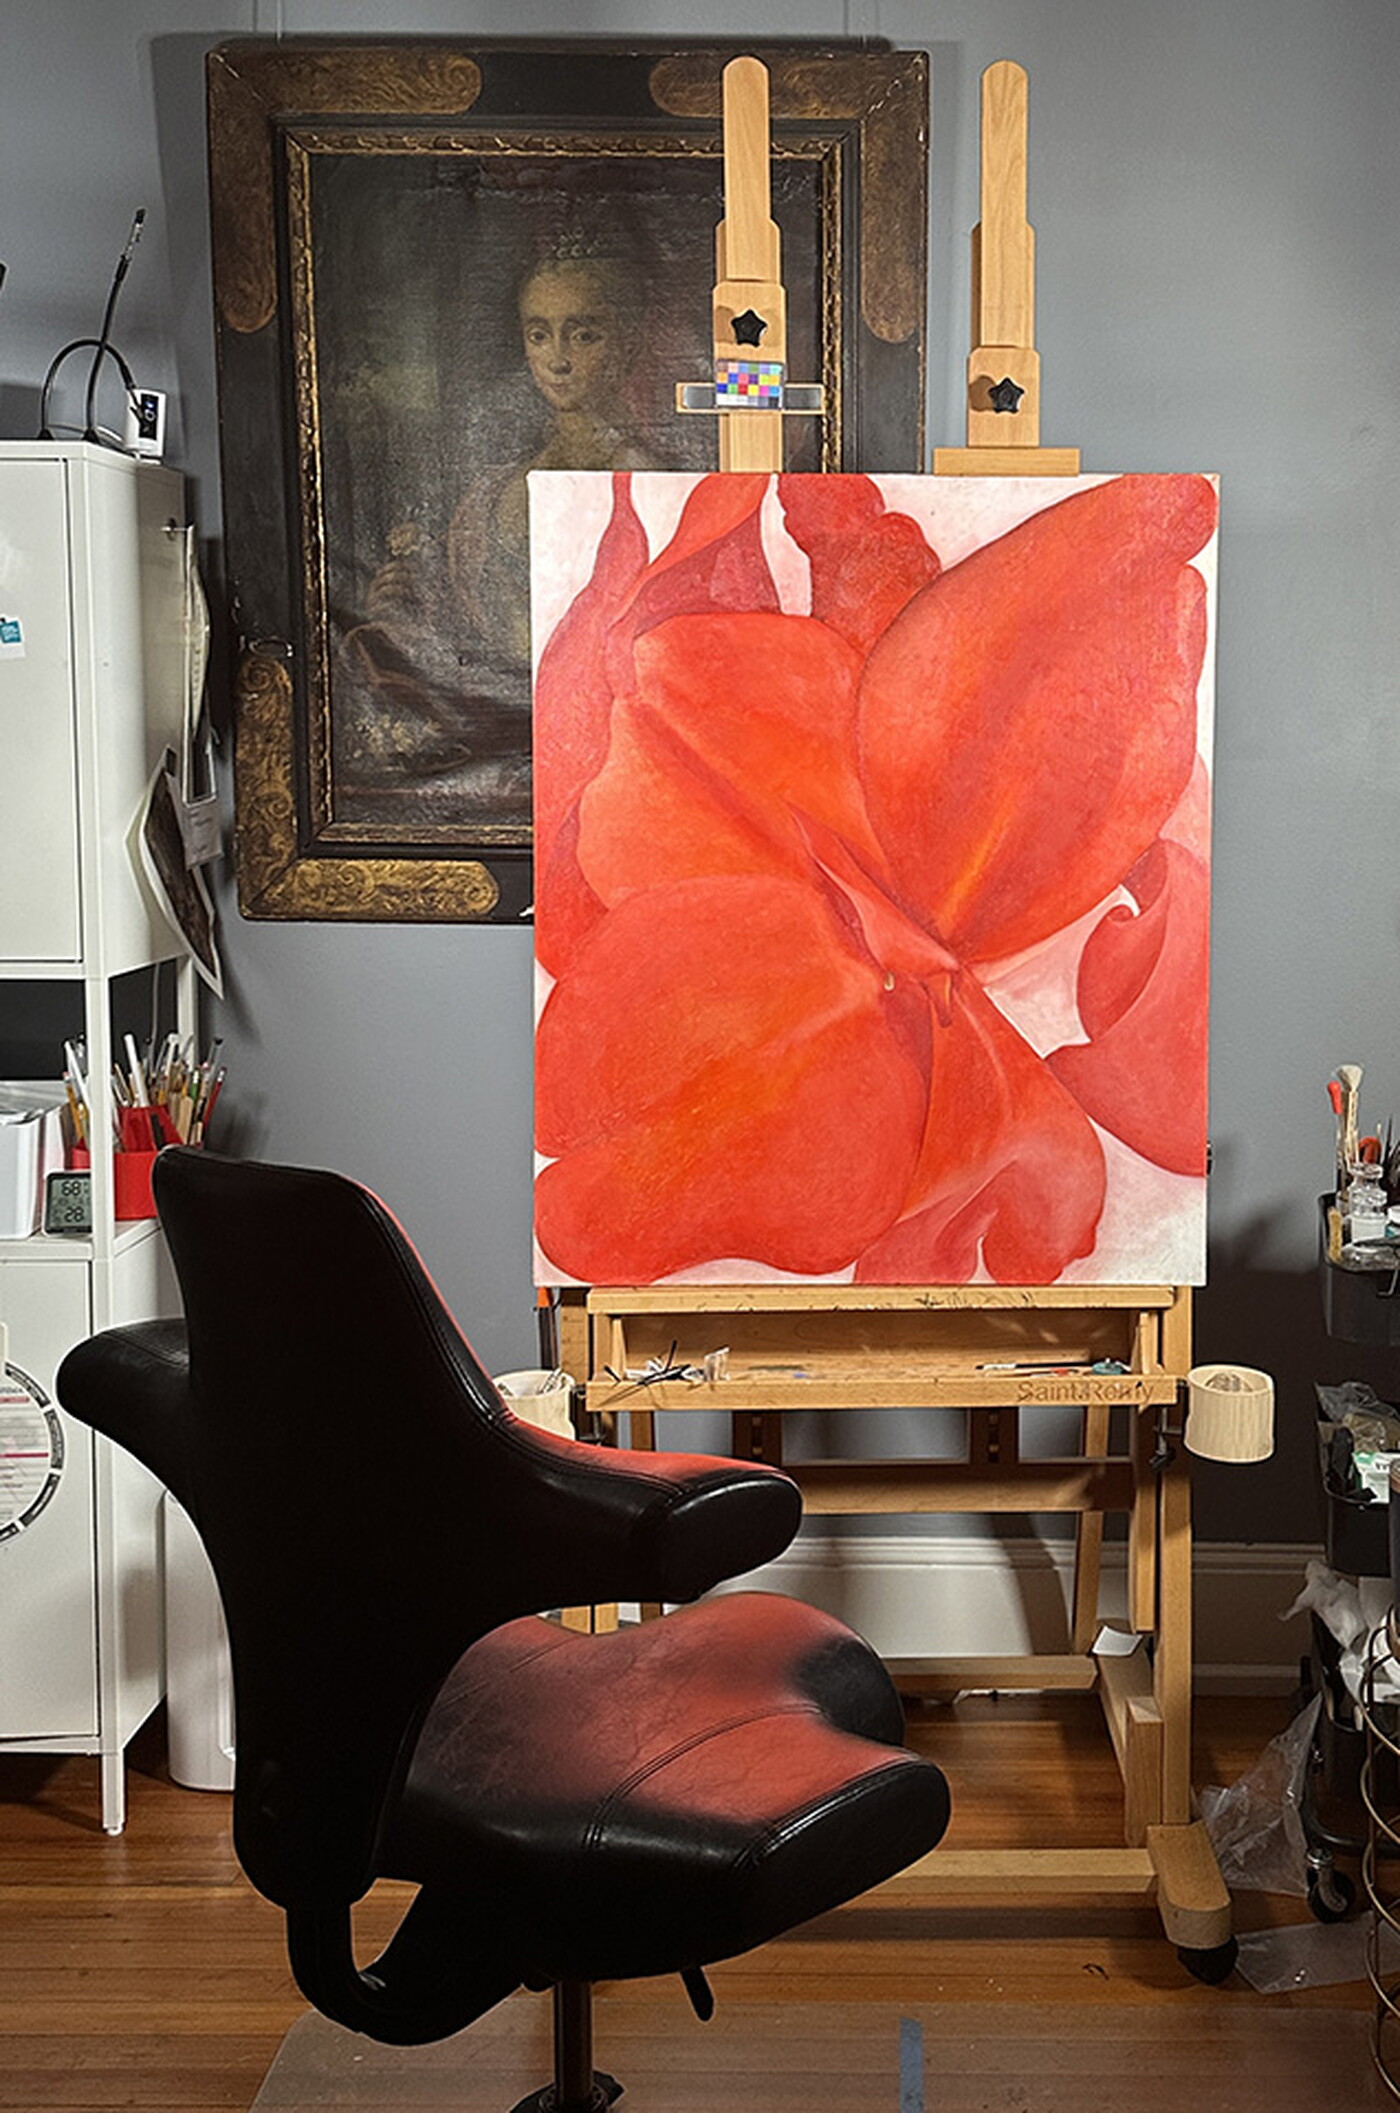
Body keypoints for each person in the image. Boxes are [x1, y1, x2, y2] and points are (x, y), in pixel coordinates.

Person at [337, 244, 662, 807]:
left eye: (583, 334)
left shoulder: (648, 482)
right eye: (539, 334)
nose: (557, 359)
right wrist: (404, 605)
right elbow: (465, 635)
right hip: (499, 732)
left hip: (606, 738)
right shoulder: (497, 489)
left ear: (627, 344)